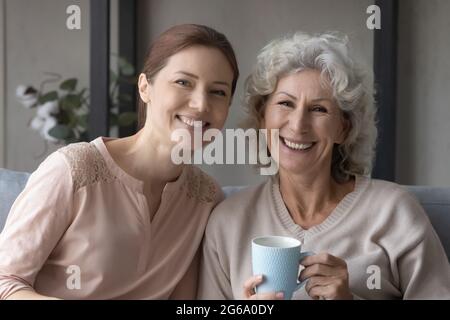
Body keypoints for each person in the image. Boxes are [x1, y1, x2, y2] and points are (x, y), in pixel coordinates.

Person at [198, 32, 450, 300]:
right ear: (262, 119)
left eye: (319, 109)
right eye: (285, 104)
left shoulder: (395, 212)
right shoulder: (227, 222)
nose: (298, 125)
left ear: (344, 128)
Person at [0, 24, 239, 299]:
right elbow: (5, 281)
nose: (200, 104)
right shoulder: (73, 169)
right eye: (183, 82)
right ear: (145, 87)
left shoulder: (205, 198)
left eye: (218, 92)